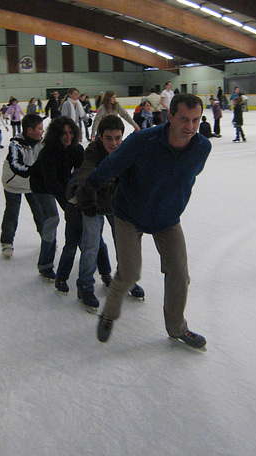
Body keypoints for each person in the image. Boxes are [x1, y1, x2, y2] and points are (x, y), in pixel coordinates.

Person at [87, 93, 211, 349]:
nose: (190, 126)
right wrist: (89, 185)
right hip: (129, 214)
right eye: (184, 119)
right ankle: (109, 315)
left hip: (166, 217)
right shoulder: (144, 140)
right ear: (170, 116)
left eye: (196, 120)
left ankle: (177, 328)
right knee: (130, 273)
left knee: (179, 274)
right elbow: (113, 164)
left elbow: (189, 176)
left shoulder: (202, 147)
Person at [71, 115, 144, 310]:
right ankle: (85, 285)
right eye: (109, 138)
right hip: (93, 203)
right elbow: (86, 173)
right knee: (91, 245)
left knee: (124, 245)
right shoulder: (93, 152)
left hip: (117, 205)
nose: (114, 143)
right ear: (100, 137)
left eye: (118, 138)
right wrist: (86, 195)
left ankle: (126, 280)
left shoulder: (126, 150)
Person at [29, 116, 84, 279]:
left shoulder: (77, 149)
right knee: (52, 219)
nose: (68, 137)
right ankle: (45, 264)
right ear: (55, 135)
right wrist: (68, 203)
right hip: (41, 187)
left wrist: (78, 197)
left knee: (78, 217)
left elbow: (81, 174)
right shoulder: (47, 153)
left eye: (70, 132)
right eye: (63, 133)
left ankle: (90, 254)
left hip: (64, 184)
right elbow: (51, 183)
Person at [0, 114, 44, 259]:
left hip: (32, 184)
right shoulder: (15, 144)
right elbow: (15, 165)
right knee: (12, 212)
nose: (42, 131)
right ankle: (7, 242)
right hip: (14, 184)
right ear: (30, 130)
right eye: (39, 129)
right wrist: (33, 172)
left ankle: (46, 236)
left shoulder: (41, 143)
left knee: (39, 211)